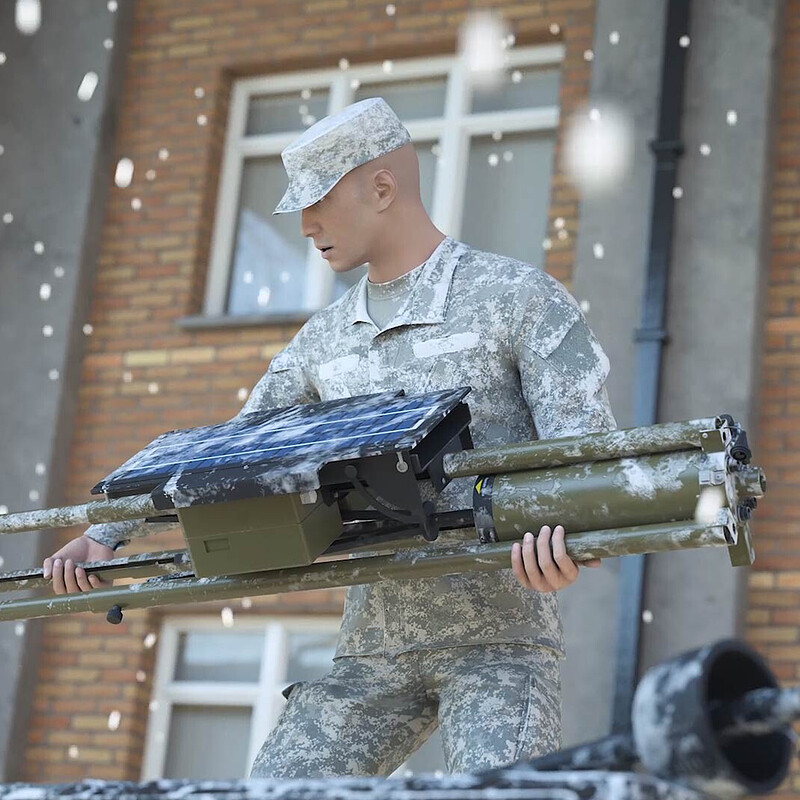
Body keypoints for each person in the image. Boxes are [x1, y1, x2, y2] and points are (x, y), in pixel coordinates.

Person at [43, 97, 616, 777]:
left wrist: (574, 542)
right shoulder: (321, 343)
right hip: (371, 649)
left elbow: (591, 467)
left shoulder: (518, 299)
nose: (306, 224)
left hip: (501, 642)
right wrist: (104, 532)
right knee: (274, 793)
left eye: (318, 200)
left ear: (381, 188)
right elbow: (228, 456)